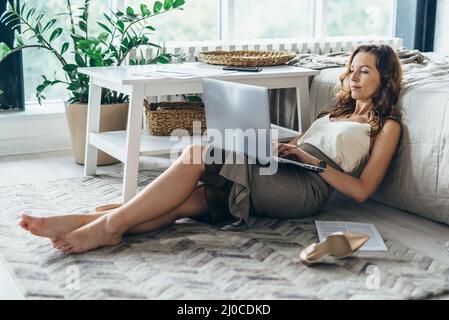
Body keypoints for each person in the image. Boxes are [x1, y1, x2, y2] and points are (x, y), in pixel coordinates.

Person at [19, 44, 403, 254]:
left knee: (198, 154)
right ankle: (92, 221)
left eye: (364, 70)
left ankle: (105, 225)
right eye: (351, 69)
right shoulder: (334, 112)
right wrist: (275, 146)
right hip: (286, 169)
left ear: (385, 76)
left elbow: (362, 190)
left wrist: (307, 159)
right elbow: (298, 148)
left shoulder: (386, 127)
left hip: (308, 189)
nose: (352, 77)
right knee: (189, 201)